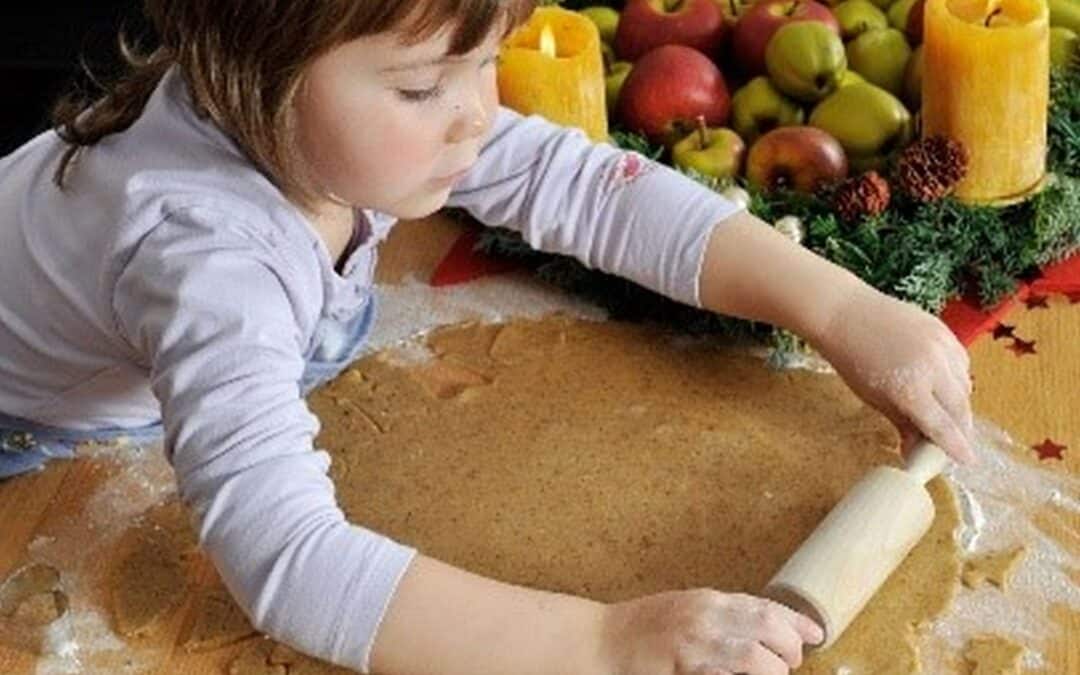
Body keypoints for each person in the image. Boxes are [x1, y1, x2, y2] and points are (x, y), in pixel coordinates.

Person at [0, 1, 977, 673]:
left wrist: (844, 309)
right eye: (425, 87)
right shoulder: (209, 264)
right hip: (27, 420)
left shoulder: (318, 111)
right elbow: (283, 559)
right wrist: (601, 646)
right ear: (246, 69)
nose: (477, 113)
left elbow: (585, 187)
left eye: (484, 59)